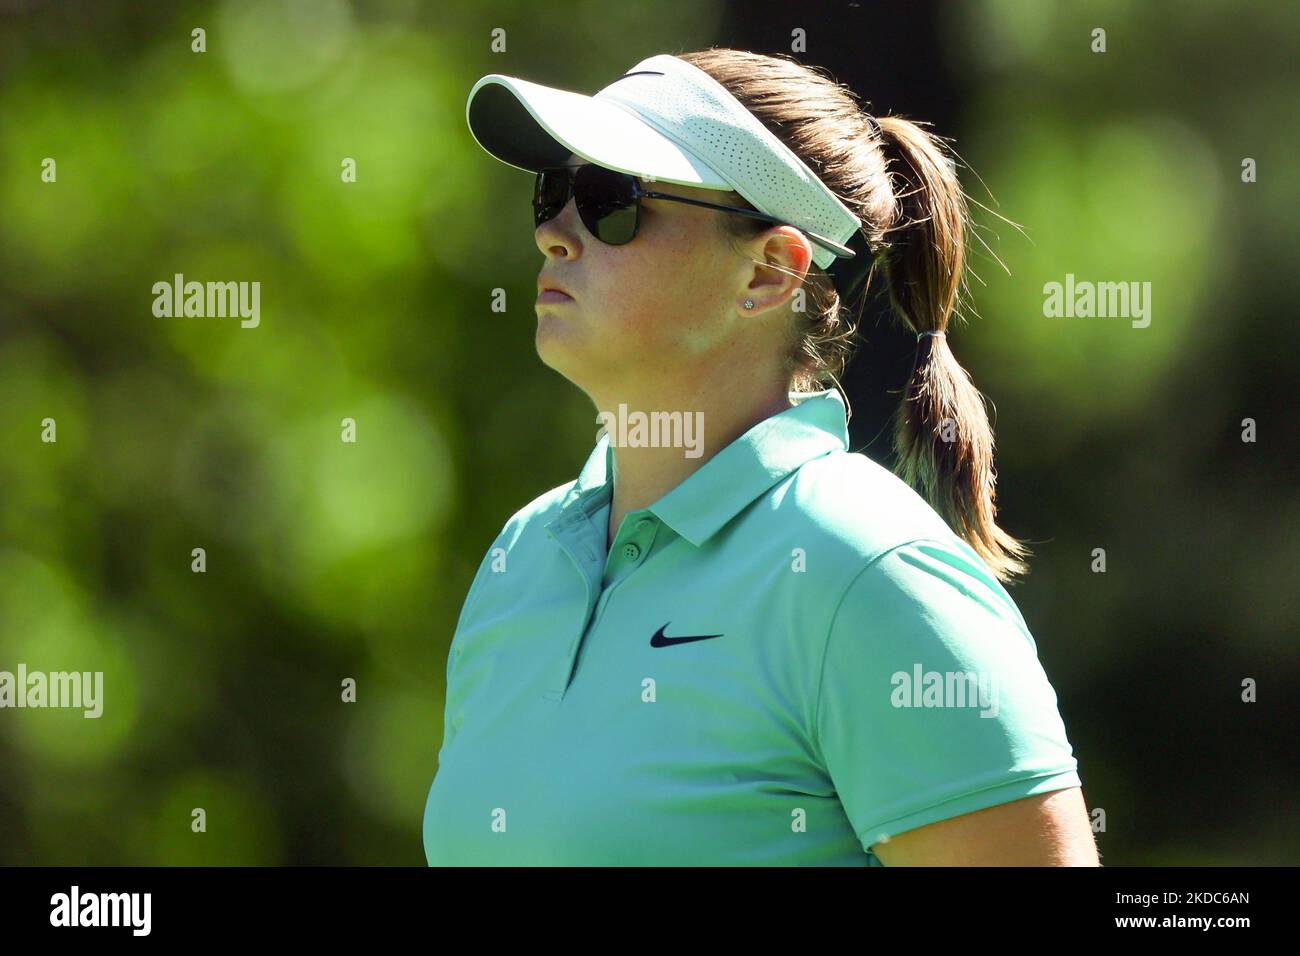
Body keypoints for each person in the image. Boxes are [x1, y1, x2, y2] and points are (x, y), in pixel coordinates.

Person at [423, 48, 1099, 865]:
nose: (552, 232)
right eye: (552, 193)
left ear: (771, 271)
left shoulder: (870, 572)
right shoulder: (522, 558)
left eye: (611, 201)